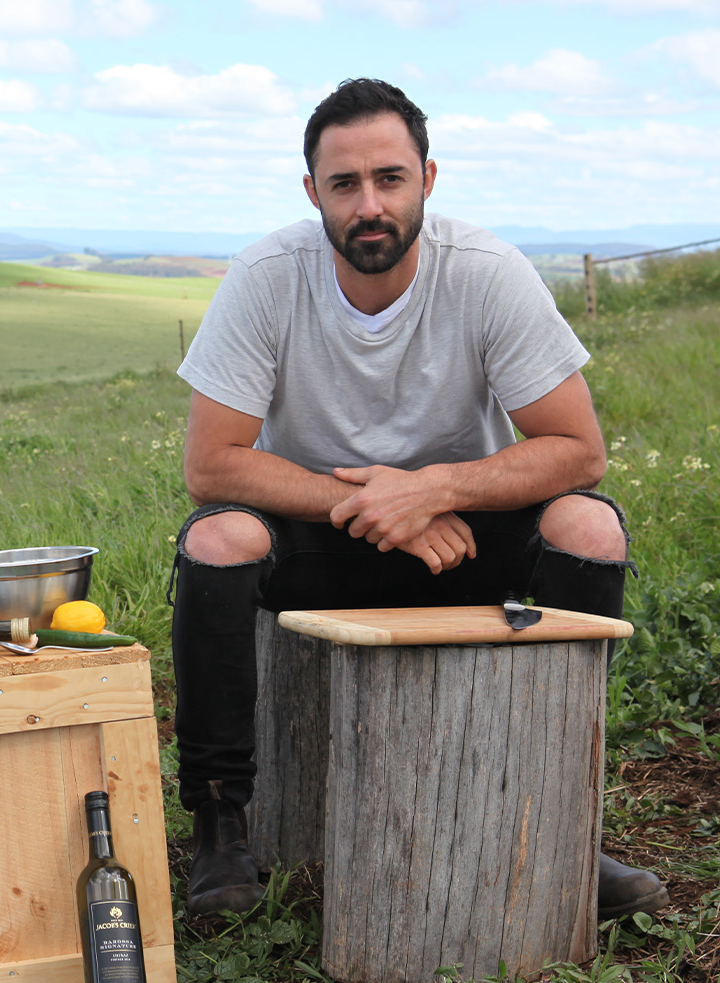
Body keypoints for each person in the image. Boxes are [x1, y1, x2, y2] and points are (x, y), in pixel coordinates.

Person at [170, 78, 666, 920]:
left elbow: (579, 449)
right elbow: (211, 465)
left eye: (390, 178)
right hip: (320, 541)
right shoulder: (265, 276)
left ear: (428, 180)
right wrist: (368, 505)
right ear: (312, 193)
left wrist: (434, 489)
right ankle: (221, 826)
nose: (370, 204)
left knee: (588, 523)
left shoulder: (486, 272)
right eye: (345, 184)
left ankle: (569, 823)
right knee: (219, 541)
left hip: (461, 543)